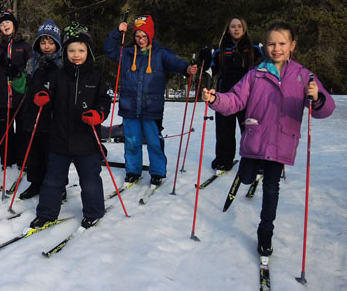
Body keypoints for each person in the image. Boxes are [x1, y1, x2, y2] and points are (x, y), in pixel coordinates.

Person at [202, 21, 335, 256]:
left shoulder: (304, 76)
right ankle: (245, 174)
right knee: (246, 177)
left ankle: (265, 232)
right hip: (254, 140)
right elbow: (235, 100)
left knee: (271, 189)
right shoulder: (255, 74)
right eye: (272, 43)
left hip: (282, 144)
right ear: (266, 46)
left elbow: (326, 108)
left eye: (282, 43)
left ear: (292, 45)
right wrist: (216, 100)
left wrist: (317, 98)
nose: (277, 48)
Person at [30, 22, 111, 229]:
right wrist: (43, 96)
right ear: (65, 52)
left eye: (81, 50)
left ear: (88, 52)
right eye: (72, 50)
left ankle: (94, 211)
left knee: (90, 180)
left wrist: (98, 114)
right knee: (52, 180)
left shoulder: (96, 77)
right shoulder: (58, 75)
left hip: (87, 140)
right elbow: (48, 92)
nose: (76, 54)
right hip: (60, 138)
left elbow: (104, 100)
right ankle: (47, 213)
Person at [104, 15, 197, 186]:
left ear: (150, 36)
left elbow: (175, 62)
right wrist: (118, 32)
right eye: (138, 36)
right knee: (132, 141)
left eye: (144, 36)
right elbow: (109, 49)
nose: (141, 40)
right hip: (130, 106)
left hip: (151, 107)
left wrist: (186, 68)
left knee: (154, 141)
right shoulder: (126, 54)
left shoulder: (160, 54)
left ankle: (157, 172)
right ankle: (133, 171)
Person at [199, 16, 264, 171]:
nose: (236, 29)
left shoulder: (254, 48)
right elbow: (211, 70)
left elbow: (264, 67)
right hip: (225, 94)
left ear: (244, 29)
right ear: (228, 29)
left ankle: (256, 161)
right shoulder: (221, 49)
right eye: (233, 26)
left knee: (250, 130)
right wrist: (205, 61)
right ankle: (223, 159)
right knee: (224, 131)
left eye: (239, 26)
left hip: (248, 95)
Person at [18, 19, 62, 200]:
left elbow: (65, 91)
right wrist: (16, 77)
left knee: (52, 154)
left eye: (51, 43)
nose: (47, 46)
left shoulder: (62, 63)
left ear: (57, 44)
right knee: (34, 153)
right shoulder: (32, 62)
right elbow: (23, 88)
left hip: (52, 117)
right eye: (43, 42)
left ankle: (58, 185)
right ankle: (35, 183)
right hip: (33, 115)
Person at [0, 9, 32, 168]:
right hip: (2, 95)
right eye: (2, 23)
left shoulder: (24, 46)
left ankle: (22, 159)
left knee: (22, 129)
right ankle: (6, 159)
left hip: (20, 95)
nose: (5, 25)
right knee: (5, 130)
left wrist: (20, 73)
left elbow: (30, 68)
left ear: (14, 24)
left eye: (8, 22)